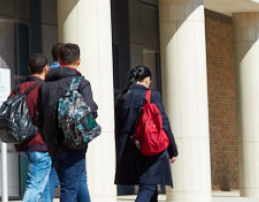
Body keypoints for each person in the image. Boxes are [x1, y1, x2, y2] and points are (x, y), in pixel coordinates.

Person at [37, 43, 100, 202]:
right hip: (74, 143)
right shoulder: (81, 83)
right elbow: (91, 110)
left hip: (53, 144)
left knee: (67, 184)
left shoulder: (45, 86)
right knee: (70, 189)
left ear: (59, 60)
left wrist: (47, 136)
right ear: (78, 61)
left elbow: (38, 116)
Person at [114, 66, 178, 202]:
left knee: (151, 187)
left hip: (131, 149)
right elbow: (163, 123)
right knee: (148, 187)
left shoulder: (123, 97)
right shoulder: (152, 95)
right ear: (148, 80)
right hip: (151, 147)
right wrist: (172, 149)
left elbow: (119, 127)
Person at [17, 54, 57, 202]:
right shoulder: (44, 89)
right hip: (40, 143)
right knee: (34, 186)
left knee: (43, 185)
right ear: (46, 68)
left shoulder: (19, 88)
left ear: (29, 68)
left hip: (23, 143)